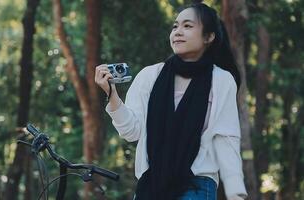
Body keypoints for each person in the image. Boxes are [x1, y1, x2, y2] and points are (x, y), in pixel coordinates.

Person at [95, 2, 248, 200]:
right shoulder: (150, 76)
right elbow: (132, 131)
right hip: (150, 185)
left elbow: (227, 138)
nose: (178, 32)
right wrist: (111, 94)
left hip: (197, 185)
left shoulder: (221, 80)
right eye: (175, 26)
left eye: (188, 26)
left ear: (209, 37)